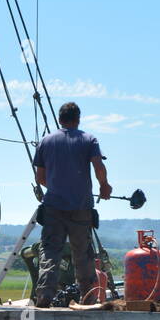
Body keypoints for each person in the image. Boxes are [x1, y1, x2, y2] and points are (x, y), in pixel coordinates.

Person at [32, 102, 111, 307]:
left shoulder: (45, 141)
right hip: (81, 208)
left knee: (50, 253)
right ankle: (88, 298)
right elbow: (98, 165)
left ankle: (44, 298)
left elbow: (40, 176)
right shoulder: (88, 139)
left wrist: (58, 187)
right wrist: (104, 186)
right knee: (83, 255)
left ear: (60, 119)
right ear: (78, 119)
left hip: (53, 208)